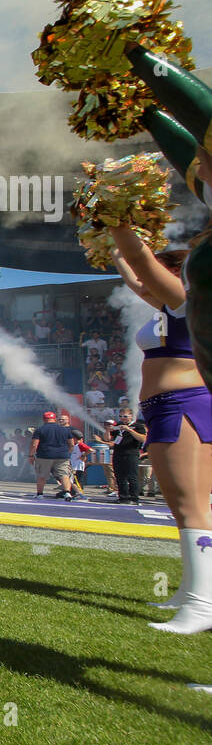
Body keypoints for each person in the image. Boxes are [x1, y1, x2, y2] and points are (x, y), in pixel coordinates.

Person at [109, 235, 212, 634]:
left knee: (192, 506)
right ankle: (191, 592)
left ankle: (203, 603)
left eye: (162, 269)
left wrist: (120, 227)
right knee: (182, 507)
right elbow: (137, 281)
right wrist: (117, 254)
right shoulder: (169, 306)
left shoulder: (188, 298)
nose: (150, 279)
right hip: (164, 407)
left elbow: (142, 262)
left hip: (185, 402)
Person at [29, 410, 75, 500]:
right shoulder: (65, 429)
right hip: (62, 456)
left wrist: (31, 456)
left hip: (44, 456)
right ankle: (67, 493)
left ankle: (40, 494)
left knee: (42, 475)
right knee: (64, 475)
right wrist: (68, 452)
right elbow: (72, 444)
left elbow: (34, 444)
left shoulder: (40, 430)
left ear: (44, 419)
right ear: (55, 419)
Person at [111, 407, 146, 505]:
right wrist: (108, 429)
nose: (123, 418)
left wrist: (129, 430)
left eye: (125, 416)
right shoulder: (118, 425)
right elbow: (108, 438)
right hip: (118, 453)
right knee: (119, 476)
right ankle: (123, 497)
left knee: (132, 476)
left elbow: (143, 439)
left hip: (131, 453)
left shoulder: (138, 426)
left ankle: (134, 498)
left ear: (131, 416)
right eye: (121, 416)